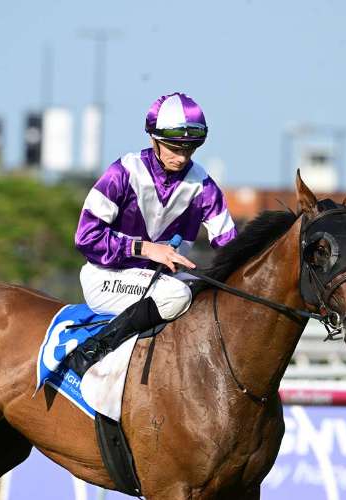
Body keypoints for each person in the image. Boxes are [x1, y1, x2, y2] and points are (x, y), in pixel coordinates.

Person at [65, 92, 238, 376]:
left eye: (190, 149)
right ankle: (94, 349)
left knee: (209, 296)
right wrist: (144, 248)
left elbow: (232, 246)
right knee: (177, 295)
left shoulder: (204, 186)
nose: (182, 158)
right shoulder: (123, 173)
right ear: (153, 138)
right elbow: (86, 237)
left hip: (161, 282)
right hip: (108, 277)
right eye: (174, 148)